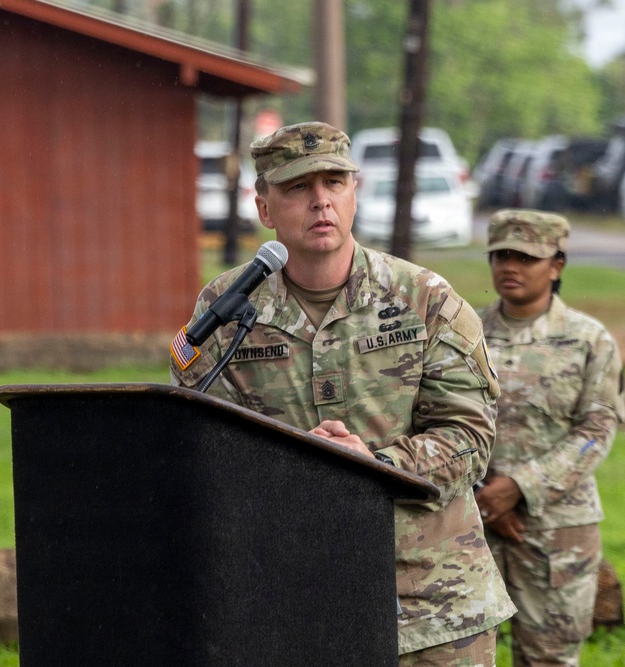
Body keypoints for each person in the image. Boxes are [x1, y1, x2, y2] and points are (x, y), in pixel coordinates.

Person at [170, 121, 516, 665]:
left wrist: (374, 465)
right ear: (264, 208)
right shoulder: (226, 308)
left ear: (355, 193)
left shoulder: (424, 299)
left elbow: (470, 438)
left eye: (334, 182)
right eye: (298, 187)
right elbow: (196, 447)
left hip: (432, 603)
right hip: (290, 598)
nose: (321, 201)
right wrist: (295, 465)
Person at [475, 209, 625, 666]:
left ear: (556, 266)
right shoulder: (462, 333)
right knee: (459, 656)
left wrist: (520, 488)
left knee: (549, 659)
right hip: (470, 523)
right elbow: (436, 419)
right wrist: (484, 496)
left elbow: (596, 431)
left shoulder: (588, 340)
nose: (510, 267)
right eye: (501, 255)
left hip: (557, 534)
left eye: (525, 257)